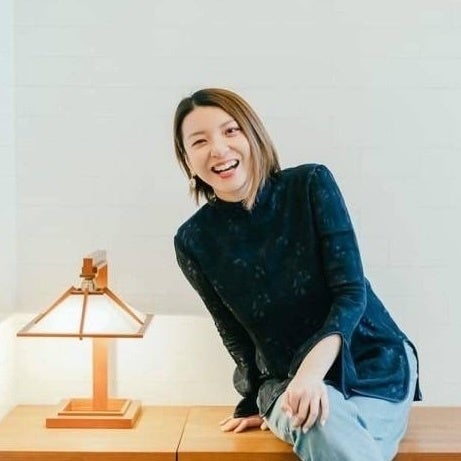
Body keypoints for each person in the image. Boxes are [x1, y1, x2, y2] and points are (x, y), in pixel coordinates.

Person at [172, 88, 421, 461]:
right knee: (322, 424)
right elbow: (234, 333)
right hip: (286, 379)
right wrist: (256, 398)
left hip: (373, 361)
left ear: (253, 135)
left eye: (230, 131)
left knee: (340, 439)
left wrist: (311, 373)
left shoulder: (310, 184)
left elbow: (351, 294)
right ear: (187, 158)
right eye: (199, 141)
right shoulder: (193, 240)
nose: (219, 149)